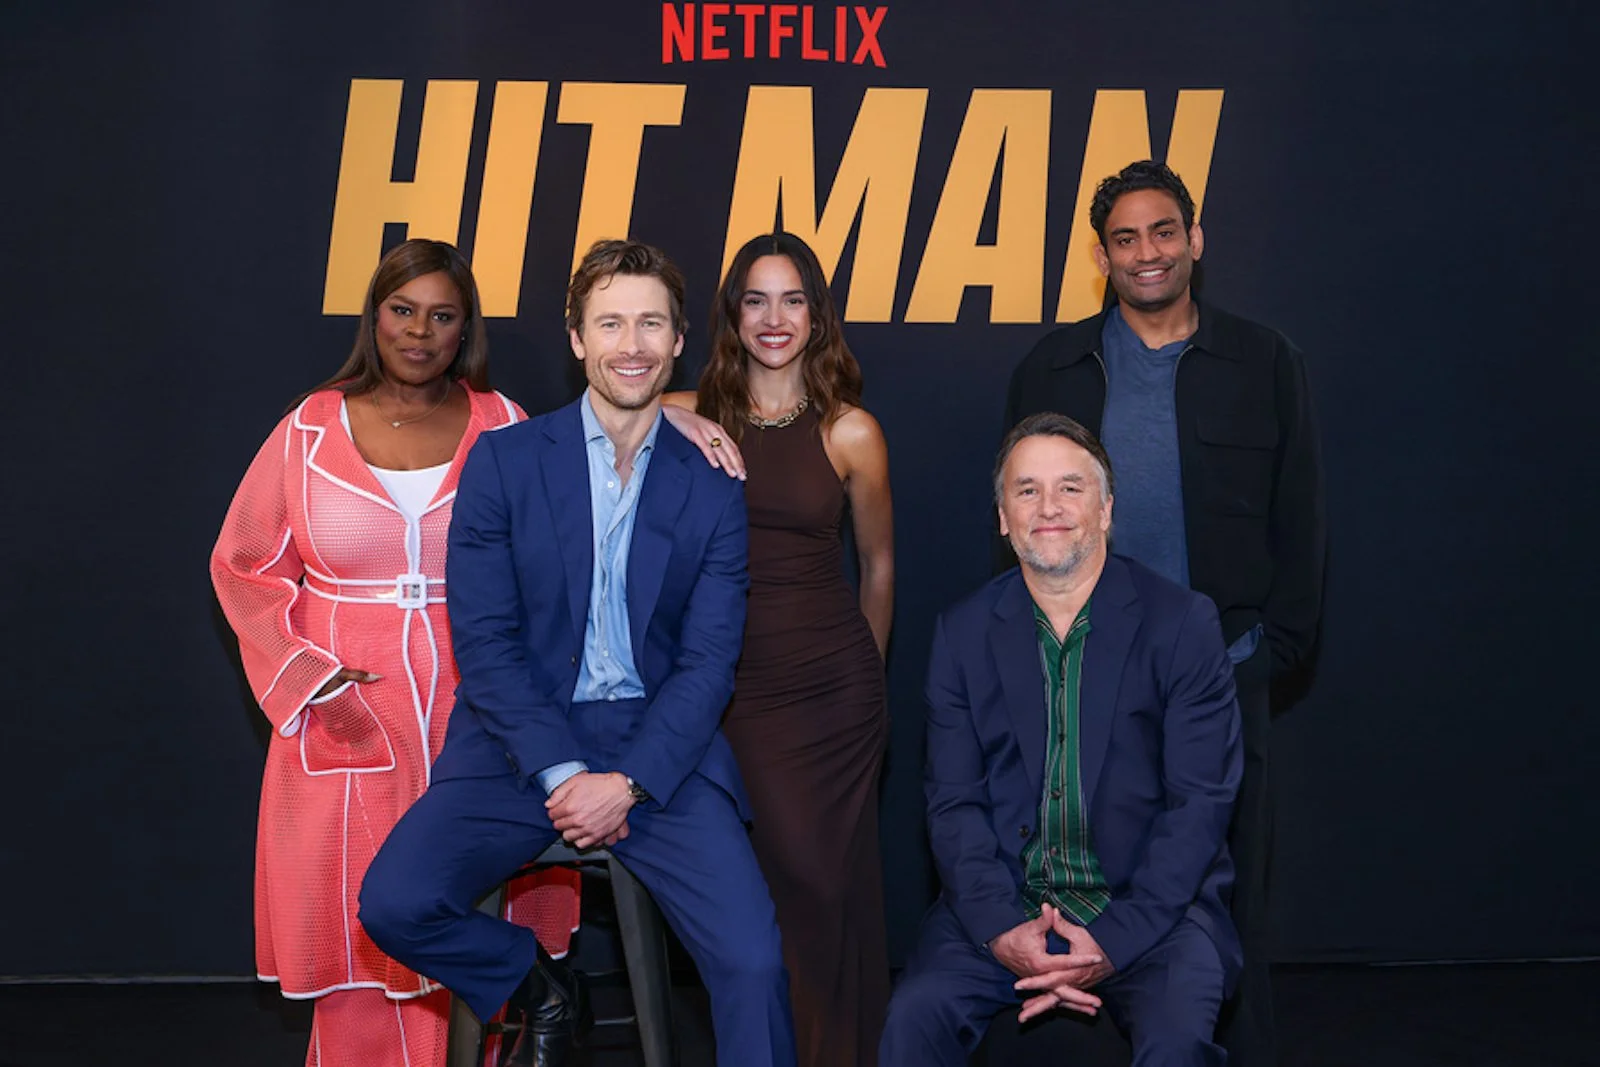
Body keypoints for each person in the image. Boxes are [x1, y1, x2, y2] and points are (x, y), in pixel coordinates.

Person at [210, 238, 737, 1067]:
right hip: (353, 719)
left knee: (478, 900)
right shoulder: (307, 429)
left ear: (467, 329)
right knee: (364, 915)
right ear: (373, 317)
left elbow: (604, 429)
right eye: (402, 310)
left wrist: (673, 411)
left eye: (442, 315)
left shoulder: (502, 424)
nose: (419, 331)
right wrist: (310, 679)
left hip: (485, 713)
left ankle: (509, 1028)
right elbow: (242, 564)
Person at [358, 238, 797, 1067]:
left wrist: (627, 782)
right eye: (610, 323)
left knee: (753, 963)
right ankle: (541, 988)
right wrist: (565, 776)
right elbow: (485, 645)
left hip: (661, 748)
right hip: (520, 739)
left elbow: (709, 663)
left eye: (651, 324)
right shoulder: (505, 461)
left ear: (678, 342)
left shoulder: (713, 482)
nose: (631, 344)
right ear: (576, 337)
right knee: (395, 901)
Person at [1003, 160, 1325, 1066]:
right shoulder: (1052, 367)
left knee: (1231, 893)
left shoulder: (1264, 360)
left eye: (1163, 231)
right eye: (1125, 238)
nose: (1146, 251)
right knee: (1094, 884)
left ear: (1195, 239)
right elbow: (1018, 518)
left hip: (1222, 671)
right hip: (1086, 679)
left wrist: (1270, 652)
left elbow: (1302, 512)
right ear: (1101, 256)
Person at [881, 413, 1243, 1066]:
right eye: (1027, 490)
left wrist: (1113, 940)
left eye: (1070, 488)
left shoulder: (1182, 623)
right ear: (1002, 517)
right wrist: (1002, 929)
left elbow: (1199, 808)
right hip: (1006, 907)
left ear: (1106, 509)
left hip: (1150, 912)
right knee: (912, 1019)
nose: (1048, 507)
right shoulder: (961, 633)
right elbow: (953, 805)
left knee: (1177, 1043)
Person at [664, 230, 894, 1067]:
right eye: (756, 300)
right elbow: (610, 405)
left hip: (834, 692)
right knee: (764, 893)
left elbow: (878, 566)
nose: (774, 318)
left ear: (817, 315)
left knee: (827, 889)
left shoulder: (850, 431)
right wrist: (676, 415)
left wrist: (868, 684)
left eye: (792, 299)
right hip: (732, 692)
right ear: (733, 313)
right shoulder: (694, 412)